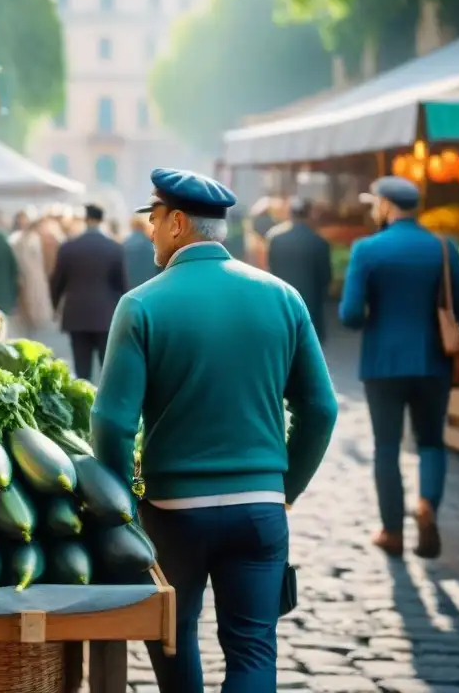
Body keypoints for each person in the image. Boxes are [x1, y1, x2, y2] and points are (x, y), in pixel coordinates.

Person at [93, 168, 337, 693]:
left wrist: (125, 508)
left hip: (174, 512)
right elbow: (321, 409)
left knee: (173, 636)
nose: (151, 230)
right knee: (253, 650)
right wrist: (284, 489)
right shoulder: (283, 298)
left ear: (178, 223)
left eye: (155, 219)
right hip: (260, 510)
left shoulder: (141, 304)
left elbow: (112, 423)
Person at [340, 176, 459, 559]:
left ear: (384, 205)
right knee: (432, 441)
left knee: (386, 446)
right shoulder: (443, 247)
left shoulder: (367, 249)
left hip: (382, 363)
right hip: (434, 361)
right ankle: (427, 506)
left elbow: (350, 314)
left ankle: (392, 531)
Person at [50, 204, 126, 381]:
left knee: (81, 369)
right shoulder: (115, 248)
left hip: (76, 314)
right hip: (105, 316)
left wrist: (55, 307)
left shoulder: (68, 247)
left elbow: (56, 283)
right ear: (102, 221)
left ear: (86, 220)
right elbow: (122, 286)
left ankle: (83, 405)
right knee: (107, 367)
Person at [266, 198, 333, 344]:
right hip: (311, 307)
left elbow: (271, 272)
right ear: (310, 215)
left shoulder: (277, 240)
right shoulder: (320, 242)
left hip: (283, 305)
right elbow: (326, 277)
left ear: (290, 215)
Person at [8, 211, 55, 339]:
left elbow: (39, 258)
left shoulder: (34, 238)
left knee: (35, 299)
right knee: (24, 303)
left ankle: (34, 324)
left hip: (34, 274)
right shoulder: (15, 238)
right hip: (21, 274)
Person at [122, 213, 160, 289]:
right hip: (149, 290)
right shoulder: (153, 247)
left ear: (132, 226)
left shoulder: (123, 246)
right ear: (144, 227)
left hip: (128, 291)